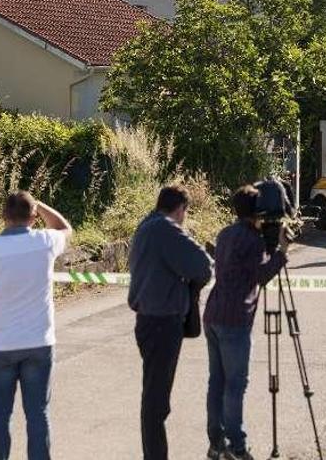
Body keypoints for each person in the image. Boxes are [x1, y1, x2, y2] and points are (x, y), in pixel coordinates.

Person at [0, 192, 73, 460]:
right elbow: (65, 228)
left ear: (4, 216)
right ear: (33, 217)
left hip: (0, 343)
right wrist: (41, 205)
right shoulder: (45, 241)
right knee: (38, 413)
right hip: (39, 341)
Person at [127, 185, 213, 460]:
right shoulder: (167, 229)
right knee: (156, 401)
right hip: (163, 322)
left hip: (148, 319)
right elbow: (203, 265)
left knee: (154, 395)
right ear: (181, 209)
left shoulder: (146, 225)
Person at [204, 185, 289, 460]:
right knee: (235, 385)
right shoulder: (253, 240)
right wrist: (281, 252)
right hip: (235, 319)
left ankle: (217, 443)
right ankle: (237, 446)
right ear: (258, 211)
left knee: (217, 381)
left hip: (214, 314)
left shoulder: (225, 233)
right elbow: (262, 275)